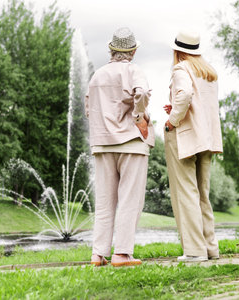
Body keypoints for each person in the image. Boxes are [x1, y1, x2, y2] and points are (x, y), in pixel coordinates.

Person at [85, 27, 155, 267]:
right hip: (130, 143)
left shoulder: (97, 75)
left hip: (103, 144)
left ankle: (98, 254)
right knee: (129, 199)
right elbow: (143, 92)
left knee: (104, 200)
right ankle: (122, 254)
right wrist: (138, 118)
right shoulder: (133, 70)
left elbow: (88, 108)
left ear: (111, 50)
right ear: (133, 51)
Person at [163, 30, 223, 262]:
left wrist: (172, 121)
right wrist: (176, 107)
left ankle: (195, 252)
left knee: (186, 193)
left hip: (185, 137)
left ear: (178, 50)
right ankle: (210, 248)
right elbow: (198, 103)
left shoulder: (181, 69)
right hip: (206, 139)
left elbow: (186, 93)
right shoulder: (208, 73)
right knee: (202, 194)